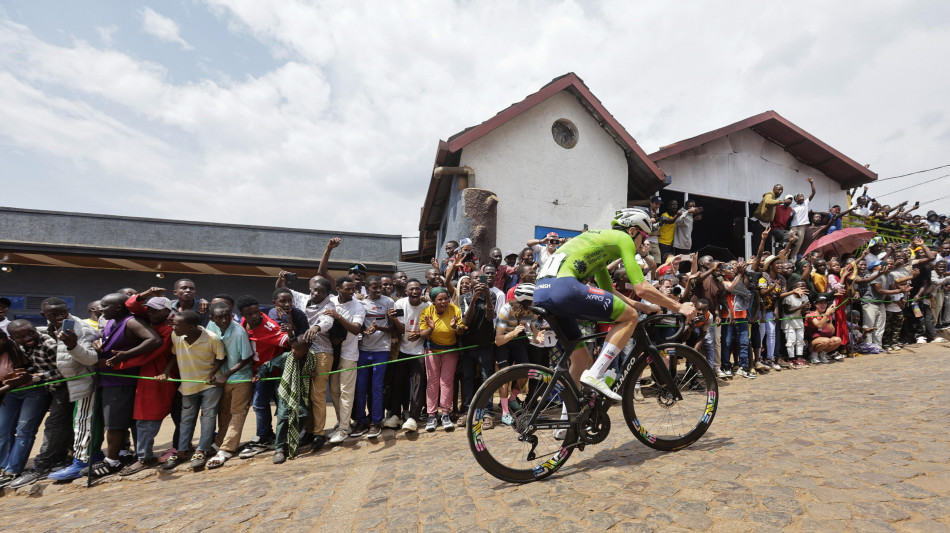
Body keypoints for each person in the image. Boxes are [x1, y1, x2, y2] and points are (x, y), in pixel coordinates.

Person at [532, 208, 696, 402]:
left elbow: (609, 290)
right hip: (564, 288)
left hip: (542, 291)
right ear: (633, 231)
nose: (643, 243)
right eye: (643, 237)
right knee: (629, 317)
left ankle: (567, 423)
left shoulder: (598, 245)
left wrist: (641, 306)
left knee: (581, 360)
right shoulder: (623, 238)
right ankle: (597, 374)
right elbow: (642, 287)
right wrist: (679, 307)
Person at [90, 293, 162, 477]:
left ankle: (112, 460)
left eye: (106, 306)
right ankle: (130, 455)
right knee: (118, 421)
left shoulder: (131, 322)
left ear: (119, 307)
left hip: (122, 380)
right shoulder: (109, 322)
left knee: (114, 424)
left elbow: (153, 340)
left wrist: (127, 354)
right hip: (109, 378)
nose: (101, 309)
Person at [115, 296, 176, 476]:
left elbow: (149, 354)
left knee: (147, 419)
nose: (151, 312)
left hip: (156, 377)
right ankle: (143, 454)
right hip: (143, 377)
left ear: (167, 311)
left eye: (156, 310)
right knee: (141, 419)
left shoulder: (166, 330)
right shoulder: (148, 322)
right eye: (149, 309)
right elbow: (131, 304)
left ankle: (144, 458)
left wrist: (120, 361)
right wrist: (146, 293)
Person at [159, 311, 226, 471]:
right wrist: (166, 371)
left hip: (209, 385)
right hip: (188, 385)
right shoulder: (177, 336)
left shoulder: (212, 338)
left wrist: (211, 374)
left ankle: (200, 451)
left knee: (208, 417)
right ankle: (182, 450)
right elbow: (174, 356)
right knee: (186, 419)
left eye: (176, 324)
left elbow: (221, 358)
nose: (173, 327)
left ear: (190, 326)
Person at [0, 321, 58, 486]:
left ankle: (12, 470)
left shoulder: (18, 348)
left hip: (35, 391)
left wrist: (32, 377)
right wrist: (11, 385)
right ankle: (2, 467)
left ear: (4, 339)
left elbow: (61, 369)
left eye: (28, 334)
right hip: (10, 393)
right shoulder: (20, 344)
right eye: (21, 336)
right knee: (3, 430)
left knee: (24, 429)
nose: (26, 338)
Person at [237, 296, 291, 458]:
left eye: (257, 312)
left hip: (271, 373)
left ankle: (267, 438)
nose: (255, 316)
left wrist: (290, 329)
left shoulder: (269, 326)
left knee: (263, 404)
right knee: (262, 405)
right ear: (243, 314)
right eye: (250, 313)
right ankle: (267, 435)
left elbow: (288, 343)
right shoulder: (242, 324)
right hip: (255, 371)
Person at [205, 302, 254, 469]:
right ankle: (219, 442)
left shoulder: (239, 333)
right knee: (223, 412)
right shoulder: (211, 325)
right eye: (219, 317)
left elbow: (247, 357)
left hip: (240, 377)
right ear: (212, 318)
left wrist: (226, 374)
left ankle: (227, 449)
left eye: (227, 316)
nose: (224, 320)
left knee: (238, 413)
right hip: (221, 378)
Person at [326, 276, 366, 444]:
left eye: (353, 289)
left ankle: (343, 430)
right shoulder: (330, 301)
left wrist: (338, 317)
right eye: (348, 289)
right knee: (334, 391)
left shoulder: (358, 306)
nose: (352, 292)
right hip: (332, 353)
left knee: (346, 392)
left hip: (349, 354)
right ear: (338, 289)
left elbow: (356, 329)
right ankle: (343, 423)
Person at [353, 276, 395, 439]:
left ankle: (376, 422)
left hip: (381, 349)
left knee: (377, 386)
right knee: (361, 387)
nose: (378, 290)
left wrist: (379, 328)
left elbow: (393, 328)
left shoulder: (388, 302)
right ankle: (361, 421)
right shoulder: (360, 303)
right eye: (374, 287)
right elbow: (358, 326)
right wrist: (364, 332)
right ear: (367, 287)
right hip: (363, 349)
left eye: (380, 287)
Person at [419, 287, 464, 432]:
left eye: (446, 298)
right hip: (432, 350)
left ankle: (445, 413)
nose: (444, 302)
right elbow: (423, 334)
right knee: (432, 382)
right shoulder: (427, 312)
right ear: (433, 301)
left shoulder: (455, 309)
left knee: (447, 382)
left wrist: (455, 326)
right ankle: (431, 415)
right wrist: (431, 328)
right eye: (440, 299)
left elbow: (462, 330)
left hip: (450, 350)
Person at [392, 279, 430, 432]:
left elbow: (430, 329)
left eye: (417, 289)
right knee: (398, 384)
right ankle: (395, 414)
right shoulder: (400, 304)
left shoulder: (427, 307)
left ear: (421, 290)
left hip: (419, 350)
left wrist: (420, 334)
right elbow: (400, 329)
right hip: (402, 349)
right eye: (411, 289)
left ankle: (414, 416)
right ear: (406, 291)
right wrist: (394, 319)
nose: (415, 292)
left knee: (418, 385)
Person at [805, 297, 842, 364]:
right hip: (813, 342)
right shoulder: (810, 315)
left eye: (825, 303)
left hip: (826, 339)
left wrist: (828, 320)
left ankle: (822, 354)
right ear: (815, 305)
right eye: (821, 303)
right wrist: (826, 315)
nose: (823, 305)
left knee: (838, 340)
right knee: (826, 340)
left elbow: (832, 331)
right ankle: (813, 355)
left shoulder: (827, 316)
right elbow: (819, 325)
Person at [782, 281, 810, 368]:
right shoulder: (788, 298)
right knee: (791, 340)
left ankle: (799, 358)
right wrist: (801, 306)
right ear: (794, 289)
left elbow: (803, 312)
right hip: (789, 322)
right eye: (801, 287)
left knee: (800, 340)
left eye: (804, 287)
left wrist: (805, 309)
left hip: (799, 321)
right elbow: (787, 311)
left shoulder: (805, 297)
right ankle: (791, 359)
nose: (803, 289)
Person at [789, 177, 816, 258]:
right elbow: (789, 217)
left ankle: (791, 257)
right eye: (799, 196)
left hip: (802, 226)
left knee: (799, 243)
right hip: (794, 226)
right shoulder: (793, 207)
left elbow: (813, 192)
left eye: (802, 196)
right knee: (791, 240)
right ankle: (786, 254)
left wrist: (811, 183)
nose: (801, 197)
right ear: (796, 199)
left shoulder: (806, 203)